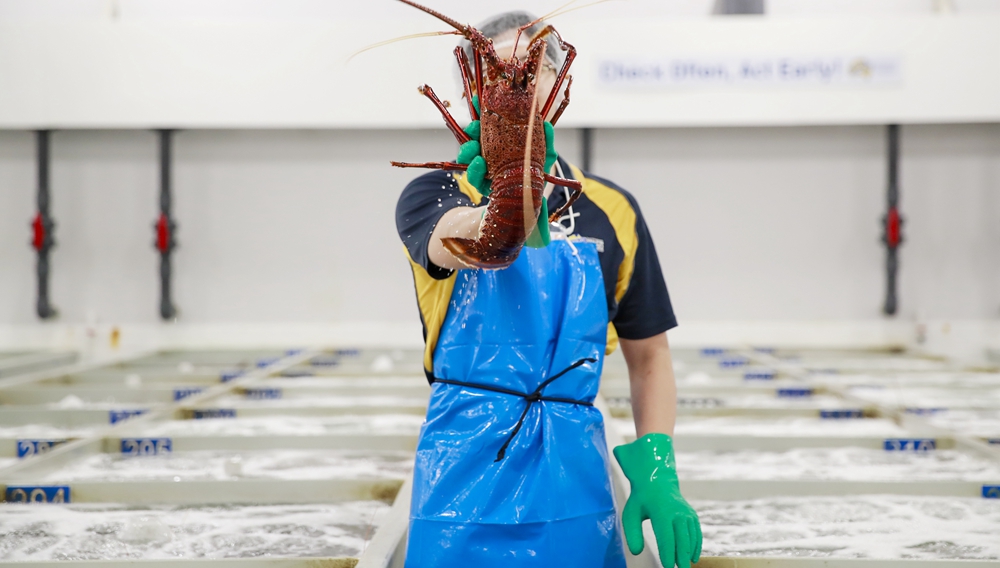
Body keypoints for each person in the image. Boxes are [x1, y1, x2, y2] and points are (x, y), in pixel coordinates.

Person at [394, 11, 701, 568]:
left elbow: (650, 356)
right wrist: (501, 207)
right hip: (460, 473)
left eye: (529, 66)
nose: (512, 78)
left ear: (557, 81)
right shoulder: (437, 192)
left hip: (574, 472)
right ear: (473, 86)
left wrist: (659, 466)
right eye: (496, 68)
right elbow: (447, 240)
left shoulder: (613, 208)